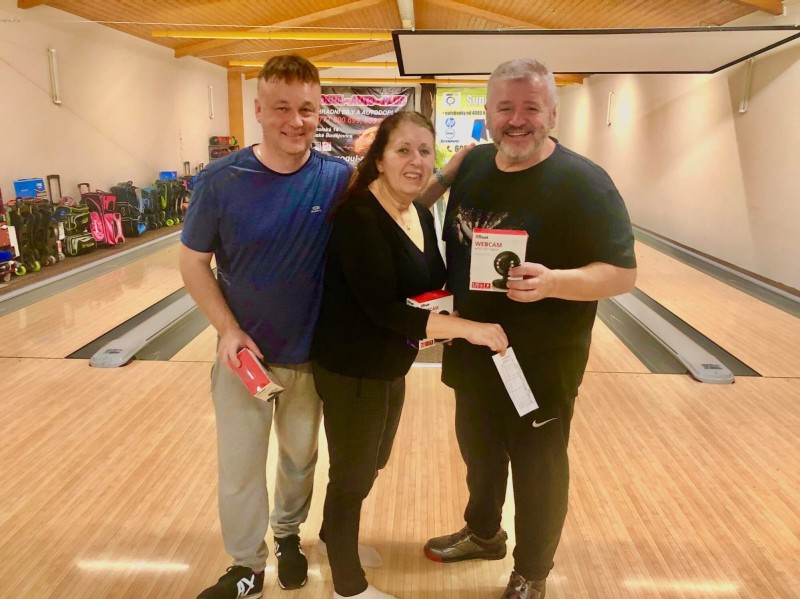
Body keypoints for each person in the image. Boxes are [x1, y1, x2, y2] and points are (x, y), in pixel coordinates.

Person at [420, 59, 638, 599]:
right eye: (505, 108)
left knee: (538, 468)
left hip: (542, 362)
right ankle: (484, 534)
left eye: (531, 108)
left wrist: (556, 281)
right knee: (479, 455)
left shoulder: (585, 182)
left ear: (552, 114)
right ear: (488, 113)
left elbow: (622, 273)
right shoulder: (472, 166)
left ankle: (532, 572)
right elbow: (426, 220)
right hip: (473, 350)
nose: (517, 120)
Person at [311, 111, 509, 599]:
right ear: (379, 159)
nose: (416, 161)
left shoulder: (418, 213)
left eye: (425, 151)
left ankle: (334, 536)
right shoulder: (359, 217)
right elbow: (386, 310)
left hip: (389, 363)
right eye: (403, 150)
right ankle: (348, 585)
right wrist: (468, 329)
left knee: (374, 460)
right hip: (351, 367)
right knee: (352, 473)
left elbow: (428, 286)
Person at [179, 55, 352, 599]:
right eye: (281, 108)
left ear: (319, 110)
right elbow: (193, 262)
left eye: (306, 109)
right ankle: (246, 567)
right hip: (243, 360)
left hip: (309, 357)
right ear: (258, 110)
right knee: (240, 468)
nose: (295, 122)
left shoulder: (337, 178)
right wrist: (228, 330)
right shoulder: (220, 180)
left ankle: (287, 535)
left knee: (300, 461)